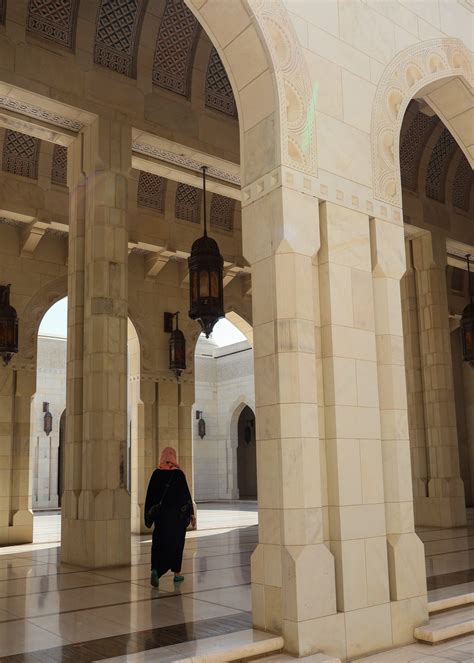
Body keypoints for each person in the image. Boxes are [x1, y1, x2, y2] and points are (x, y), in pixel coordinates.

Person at [144, 447, 196, 588]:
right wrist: (191, 514)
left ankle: (155, 569)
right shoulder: (178, 475)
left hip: (161, 518)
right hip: (177, 519)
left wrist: (149, 515)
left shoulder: (156, 474)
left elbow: (149, 497)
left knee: (158, 543)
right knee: (176, 544)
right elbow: (186, 496)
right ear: (174, 457)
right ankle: (177, 574)